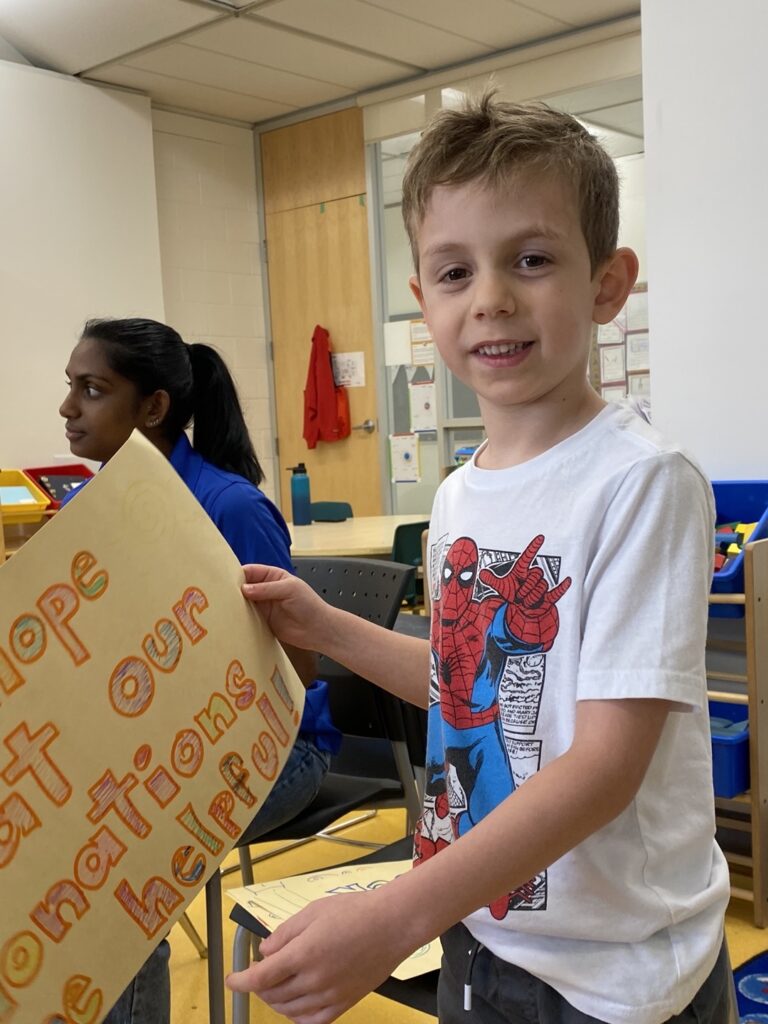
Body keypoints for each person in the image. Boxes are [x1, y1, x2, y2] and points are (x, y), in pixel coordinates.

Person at [226, 94, 731, 1024]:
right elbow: (468, 685)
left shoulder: (644, 483)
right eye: (455, 272)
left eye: (531, 260)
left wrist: (393, 916)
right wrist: (324, 624)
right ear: (424, 302)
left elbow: (604, 766)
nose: (491, 295)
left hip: (617, 976)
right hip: (486, 928)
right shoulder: (462, 490)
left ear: (609, 284)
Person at [59, 317, 340, 1024]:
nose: (68, 409)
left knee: (125, 866)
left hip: (276, 753)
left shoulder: (230, 507)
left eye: (92, 390)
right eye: (72, 388)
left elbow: (294, 675)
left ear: (153, 408)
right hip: (158, 750)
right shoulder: (97, 508)